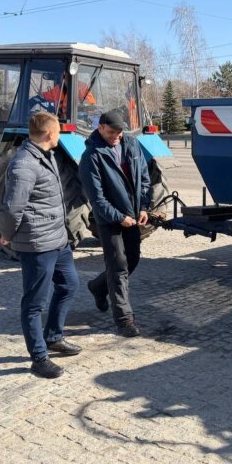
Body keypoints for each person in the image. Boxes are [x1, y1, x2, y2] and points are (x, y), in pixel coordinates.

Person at [0, 111, 81, 379]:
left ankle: (54, 336)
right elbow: (12, 208)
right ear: (49, 134)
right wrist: (7, 234)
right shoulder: (23, 164)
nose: (60, 135)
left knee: (69, 284)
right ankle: (39, 357)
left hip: (58, 238)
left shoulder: (47, 156)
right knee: (34, 303)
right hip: (37, 243)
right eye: (58, 131)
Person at [79, 109, 152, 337]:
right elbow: (97, 198)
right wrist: (119, 216)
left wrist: (143, 207)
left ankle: (98, 287)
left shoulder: (132, 145)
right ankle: (124, 320)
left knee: (132, 260)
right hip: (109, 220)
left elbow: (144, 178)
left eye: (119, 132)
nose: (116, 136)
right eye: (111, 132)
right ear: (100, 127)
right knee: (118, 265)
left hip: (132, 216)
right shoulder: (91, 156)